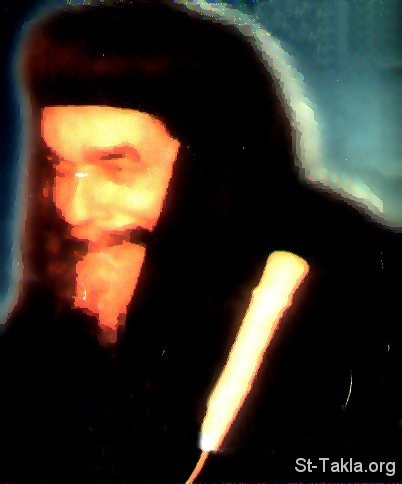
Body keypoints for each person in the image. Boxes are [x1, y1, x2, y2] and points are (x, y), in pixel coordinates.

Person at [0, 0, 399, 481]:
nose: (73, 208)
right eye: (60, 166)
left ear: (207, 165)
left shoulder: (355, 303)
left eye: (116, 168)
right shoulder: (60, 306)